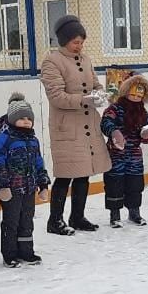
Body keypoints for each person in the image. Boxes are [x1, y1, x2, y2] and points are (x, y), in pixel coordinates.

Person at [40, 15, 111, 235]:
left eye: (81, 42)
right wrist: (84, 99)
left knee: (84, 172)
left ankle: (77, 216)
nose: (79, 46)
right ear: (64, 41)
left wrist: (100, 94)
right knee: (65, 174)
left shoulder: (86, 59)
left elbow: (96, 84)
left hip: (88, 124)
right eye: (75, 42)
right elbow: (56, 97)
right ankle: (55, 220)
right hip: (67, 127)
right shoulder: (52, 61)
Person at [0, 92, 50, 267]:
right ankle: (9, 254)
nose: (26, 121)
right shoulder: (3, 140)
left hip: (29, 189)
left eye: (29, 118)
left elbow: (39, 162)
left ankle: (26, 252)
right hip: (11, 190)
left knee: (26, 221)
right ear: (12, 119)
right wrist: (2, 185)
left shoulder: (33, 140)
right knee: (11, 222)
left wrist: (43, 183)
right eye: (21, 118)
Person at [101, 74, 148, 227]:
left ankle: (134, 213)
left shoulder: (142, 112)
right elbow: (106, 122)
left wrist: (147, 134)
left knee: (135, 183)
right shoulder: (115, 109)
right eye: (133, 94)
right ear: (125, 92)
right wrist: (113, 132)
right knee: (114, 184)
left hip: (134, 155)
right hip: (116, 154)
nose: (136, 98)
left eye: (139, 95)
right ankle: (115, 215)